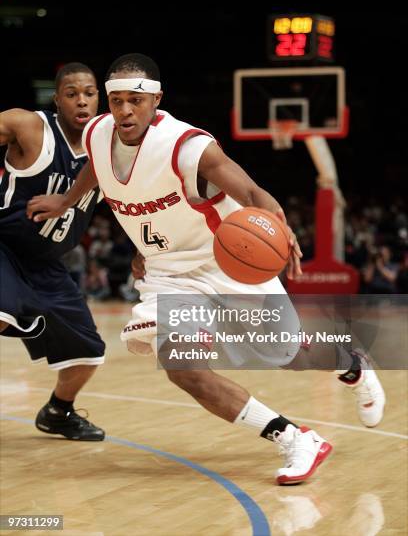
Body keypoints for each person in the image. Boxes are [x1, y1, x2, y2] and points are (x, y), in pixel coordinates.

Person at [27, 53, 386, 484]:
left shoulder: (186, 145)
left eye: (135, 101)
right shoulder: (99, 133)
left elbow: (252, 192)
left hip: (225, 261)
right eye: (116, 100)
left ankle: (353, 364)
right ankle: (294, 438)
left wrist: (279, 226)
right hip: (167, 271)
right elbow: (96, 170)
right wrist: (65, 200)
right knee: (183, 367)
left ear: (156, 99)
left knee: (287, 352)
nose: (124, 110)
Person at [0, 63, 106, 441]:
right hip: (5, 247)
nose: (82, 101)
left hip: (47, 264)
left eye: (89, 93)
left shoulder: (109, 150)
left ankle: (58, 412)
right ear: (57, 100)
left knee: (89, 353)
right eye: (72, 93)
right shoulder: (29, 126)